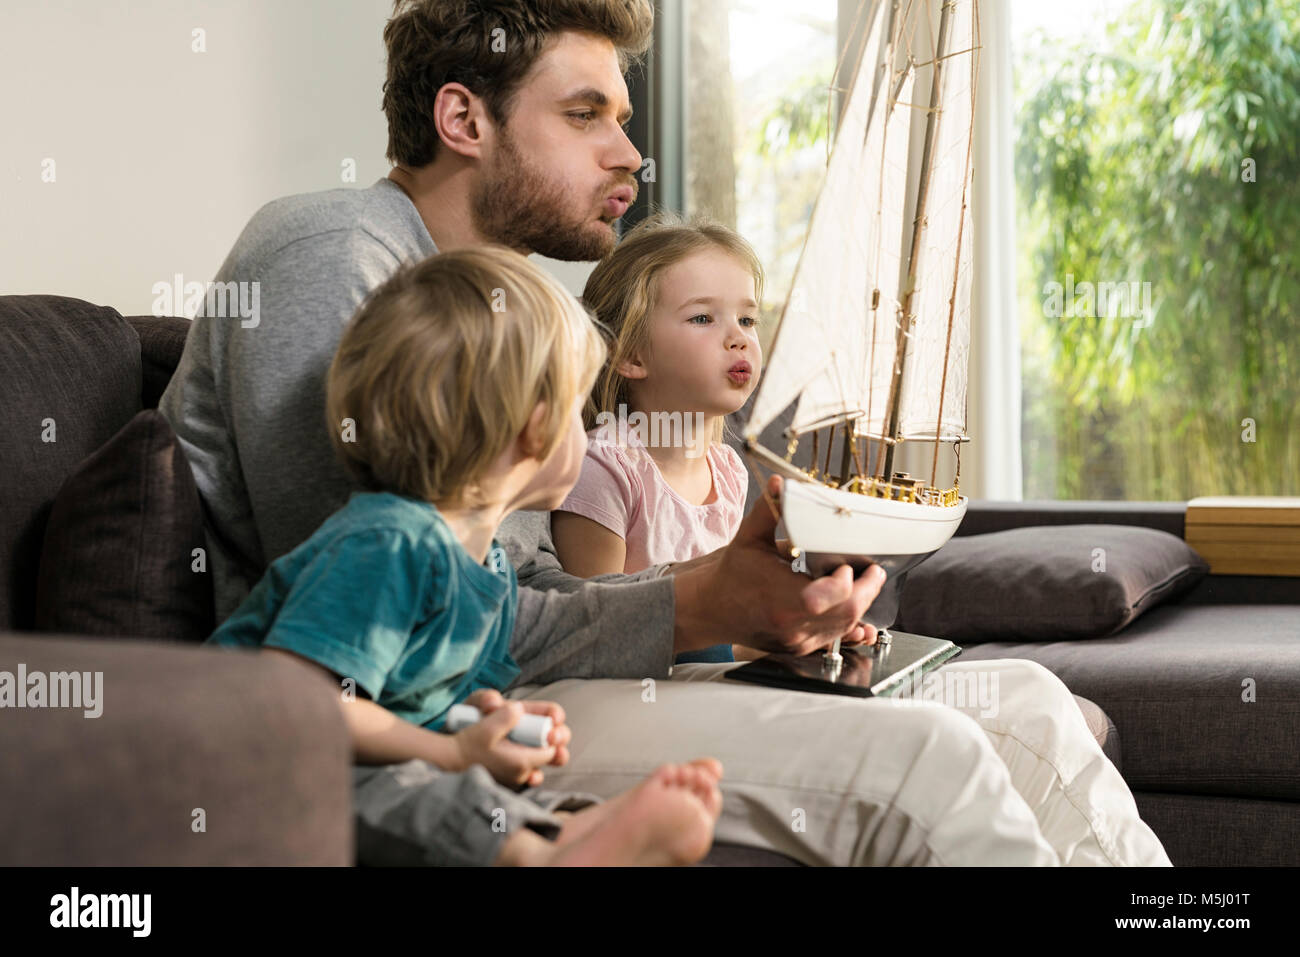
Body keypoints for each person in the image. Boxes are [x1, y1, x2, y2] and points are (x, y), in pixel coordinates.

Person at [162, 0, 1172, 865]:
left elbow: (513, 590)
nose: (632, 155)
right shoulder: (335, 252)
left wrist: (735, 595)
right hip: (413, 720)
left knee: (1027, 705)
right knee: (932, 759)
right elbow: (406, 616)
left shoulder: (500, 313)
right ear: (463, 118)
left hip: (502, 683)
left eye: (626, 118)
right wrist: (698, 604)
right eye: (584, 115)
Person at [203, 245, 724, 865]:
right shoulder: (389, 544)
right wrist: (452, 753)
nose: (586, 437)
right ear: (535, 427)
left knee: (459, 787)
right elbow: (303, 701)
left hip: (351, 760)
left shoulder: (483, 567)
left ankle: (563, 834)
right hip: (253, 771)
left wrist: (476, 722)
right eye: (575, 414)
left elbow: (413, 693)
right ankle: (545, 857)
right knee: (423, 792)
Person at [554, 212, 764, 664]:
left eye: (748, 320)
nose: (739, 339)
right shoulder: (603, 466)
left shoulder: (727, 470)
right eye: (704, 317)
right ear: (629, 353)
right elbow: (597, 634)